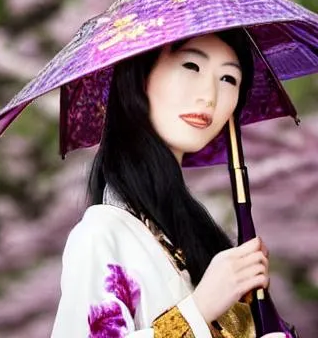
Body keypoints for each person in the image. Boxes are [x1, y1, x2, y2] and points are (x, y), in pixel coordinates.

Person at [50, 29, 279, 338]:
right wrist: (198, 309)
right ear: (140, 77)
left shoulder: (194, 237)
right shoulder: (102, 234)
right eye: (191, 66)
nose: (209, 96)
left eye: (228, 79)